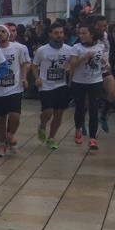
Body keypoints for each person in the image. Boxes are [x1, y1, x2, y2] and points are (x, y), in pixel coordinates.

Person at [32, 21, 73, 151]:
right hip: (46, 85)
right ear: (50, 34)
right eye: (56, 33)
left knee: (59, 113)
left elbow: (73, 64)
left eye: (61, 33)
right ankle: (43, 125)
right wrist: (37, 77)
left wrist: (69, 69)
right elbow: (34, 65)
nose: (59, 35)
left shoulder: (69, 50)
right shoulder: (42, 50)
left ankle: (51, 138)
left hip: (61, 85)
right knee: (48, 111)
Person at [0, 24, 31, 157]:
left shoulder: (19, 48)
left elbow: (25, 63)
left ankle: (10, 134)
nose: (0, 34)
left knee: (15, 116)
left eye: (3, 31)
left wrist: (24, 78)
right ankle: (2, 143)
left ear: (9, 34)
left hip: (14, 88)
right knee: (0, 119)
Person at [70, 23, 108, 150]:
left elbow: (102, 59)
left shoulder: (100, 46)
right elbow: (73, 65)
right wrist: (85, 56)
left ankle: (92, 138)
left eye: (84, 33)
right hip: (79, 82)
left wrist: (105, 63)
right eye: (79, 33)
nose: (81, 35)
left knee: (94, 108)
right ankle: (78, 128)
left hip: (95, 81)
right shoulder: (76, 47)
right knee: (80, 107)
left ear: (91, 34)